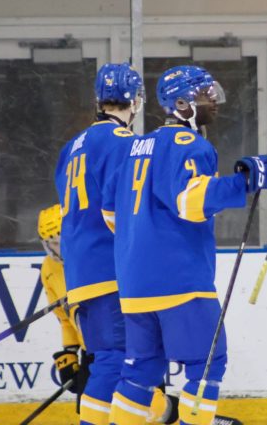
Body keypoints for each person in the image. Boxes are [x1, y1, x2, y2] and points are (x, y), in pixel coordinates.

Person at [102, 65, 267, 425]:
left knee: (140, 372)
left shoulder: (132, 147)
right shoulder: (191, 144)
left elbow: (111, 214)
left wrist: (143, 238)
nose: (214, 100)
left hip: (134, 284)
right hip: (180, 281)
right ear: (181, 103)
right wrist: (245, 182)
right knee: (207, 362)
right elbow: (190, 201)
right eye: (204, 94)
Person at [56, 63, 181, 425]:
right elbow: (132, 203)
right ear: (137, 101)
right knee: (118, 361)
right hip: (112, 269)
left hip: (78, 273)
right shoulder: (127, 144)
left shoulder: (70, 148)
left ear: (98, 99)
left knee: (108, 362)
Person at [37, 204, 91, 410]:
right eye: (50, 244)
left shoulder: (97, 258)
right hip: (91, 352)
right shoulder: (49, 268)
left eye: (59, 243)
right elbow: (64, 316)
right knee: (90, 413)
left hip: (122, 349)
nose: (55, 250)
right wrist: (70, 351)